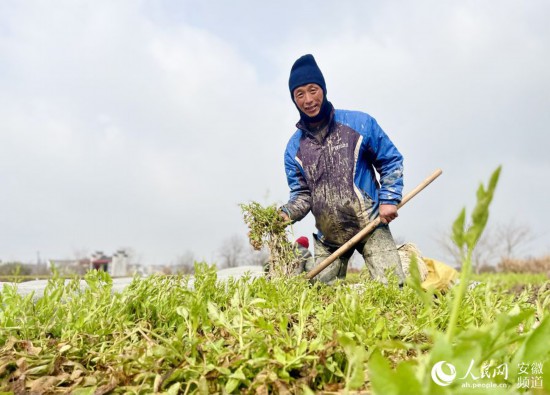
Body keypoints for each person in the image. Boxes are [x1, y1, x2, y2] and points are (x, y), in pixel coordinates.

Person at [279, 54, 406, 285]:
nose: (308, 99)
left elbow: (390, 160)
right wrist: (284, 215)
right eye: (300, 94)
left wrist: (389, 198)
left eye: (313, 90)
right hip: (329, 238)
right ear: (294, 100)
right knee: (321, 300)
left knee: (394, 290)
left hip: (370, 225)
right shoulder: (293, 149)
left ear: (323, 90)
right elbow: (302, 195)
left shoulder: (360, 124)